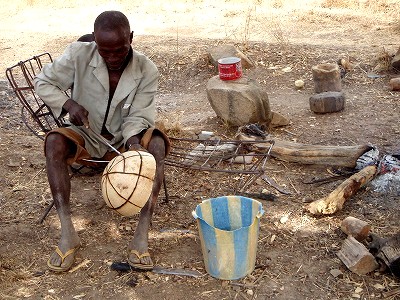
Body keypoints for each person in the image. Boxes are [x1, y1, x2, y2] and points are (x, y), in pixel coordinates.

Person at [34, 10, 169, 272]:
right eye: (105, 51)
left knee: (157, 146)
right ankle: (67, 231)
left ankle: (141, 236)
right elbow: (44, 82)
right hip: (86, 134)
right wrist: (68, 103)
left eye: (120, 49)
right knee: (54, 143)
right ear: (95, 42)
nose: (113, 58)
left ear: (131, 38)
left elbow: (139, 115)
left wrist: (132, 146)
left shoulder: (146, 69)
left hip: (123, 138)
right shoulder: (78, 55)